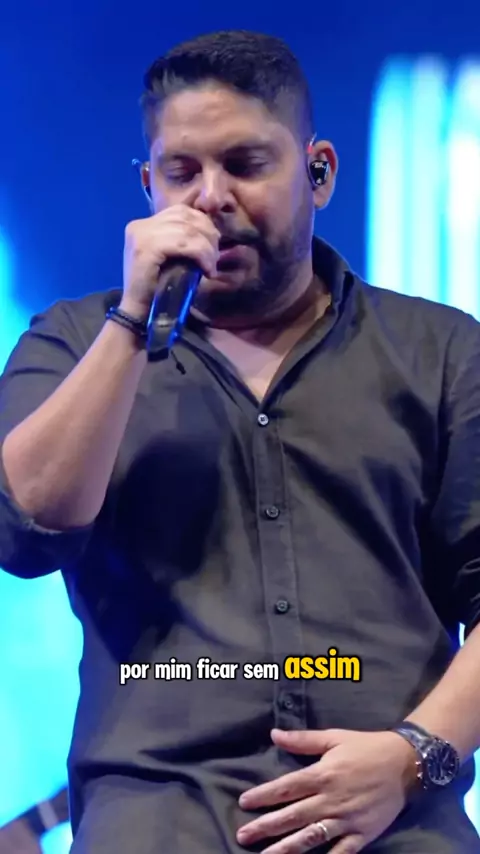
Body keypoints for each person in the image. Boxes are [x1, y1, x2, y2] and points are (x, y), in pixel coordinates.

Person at [0, 28, 480, 854]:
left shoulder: (440, 352)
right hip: (157, 822)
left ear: (319, 172)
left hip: (393, 824)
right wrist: (133, 320)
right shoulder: (73, 342)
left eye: (245, 165)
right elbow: (26, 530)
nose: (210, 197)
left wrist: (412, 757)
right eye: (181, 172)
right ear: (147, 186)